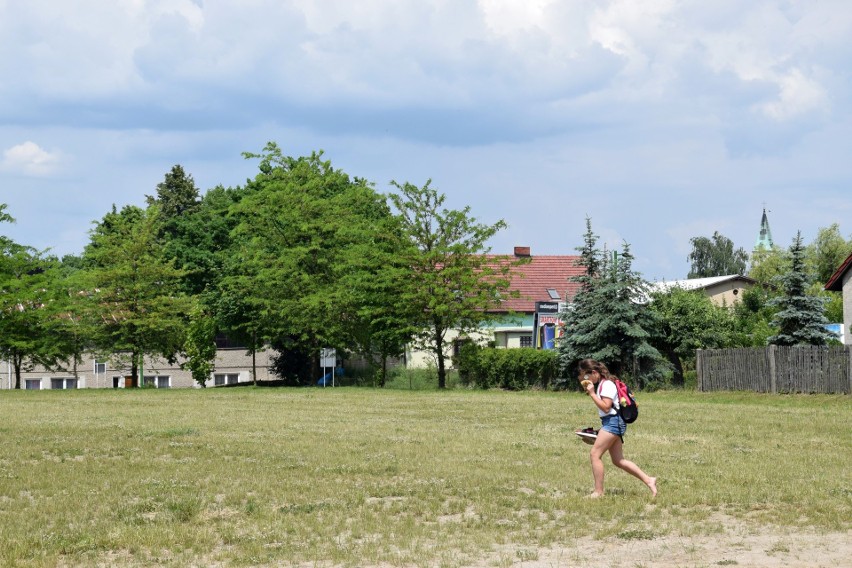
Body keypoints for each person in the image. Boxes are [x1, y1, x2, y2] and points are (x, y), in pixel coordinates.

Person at [578, 358, 657, 498]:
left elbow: (606, 407)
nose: (586, 379)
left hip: (613, 422)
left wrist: (592, 394)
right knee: (618, 460)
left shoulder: (606, 385)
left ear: (594, 372)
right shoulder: (603, 384)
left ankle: (598, 492)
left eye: (586, 375)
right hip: (612, 422)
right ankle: (649, 480)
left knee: (595, 455)